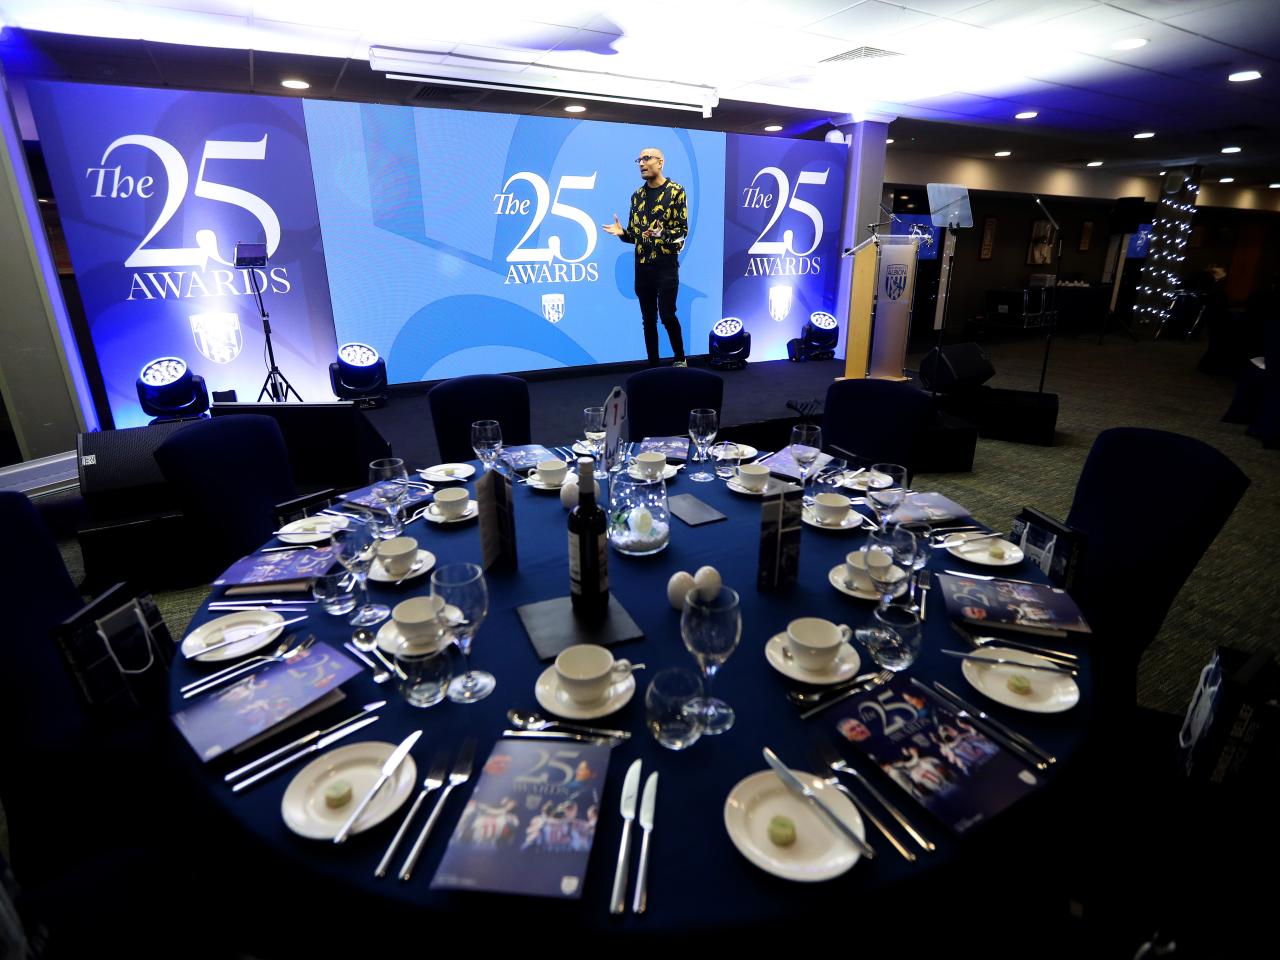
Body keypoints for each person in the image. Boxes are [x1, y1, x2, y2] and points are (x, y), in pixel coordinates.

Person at [601, 147, 689, 367]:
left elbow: (682, 232)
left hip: (666, 265)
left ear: (660, 162)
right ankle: (653, 367)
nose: (641, 163)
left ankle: (680, 359)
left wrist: (662, 233)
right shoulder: (637, 196)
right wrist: (623, 233)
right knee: (648, 319)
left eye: (646, 158)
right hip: (642, 266)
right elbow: (636, 235)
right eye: (639, 160)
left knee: (667, 315)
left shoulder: (676, 191)